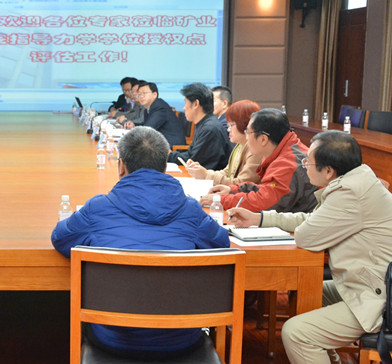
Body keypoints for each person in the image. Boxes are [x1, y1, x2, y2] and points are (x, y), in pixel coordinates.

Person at [227, 131, 392, 364]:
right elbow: (312, 221)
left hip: (391, 299)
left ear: (329, 171)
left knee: (297, 333)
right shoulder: (354, 181)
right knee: (309, 292)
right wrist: (259, 218)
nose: (304, 166)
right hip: (378, 282)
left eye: (308, 162)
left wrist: (273, 221)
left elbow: (306, 235)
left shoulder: (349, 193)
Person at [51, 126, 229, 360]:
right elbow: (222, 245)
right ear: (164, 167)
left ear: (121, 166)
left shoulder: (98, 208)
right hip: (180, 339)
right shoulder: (191, 211)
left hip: (113, 339)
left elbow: (60, 238)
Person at [200, 108, 318, 212]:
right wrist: (233, 190)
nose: (246, 137)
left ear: (263, 139)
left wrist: (221, 200)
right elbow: (267, 189)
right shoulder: (283, 149)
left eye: (248, 132)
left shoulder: (288, 163)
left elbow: (265, 202)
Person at [185, 99, 262, 185]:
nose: (228, 129)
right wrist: (201, 171)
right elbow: (227, 172)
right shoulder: (239, 145)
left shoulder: (255, 151)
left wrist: (206, 175)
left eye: (231, 125)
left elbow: (241, 184)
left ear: (245, 125)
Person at [168, 83, 233, 170]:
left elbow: (194, 162)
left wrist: (169, 155)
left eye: (185, 103)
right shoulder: (204, 123)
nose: (184, 108)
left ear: (196, 104)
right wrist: (169, 155)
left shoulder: (210, 128)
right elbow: (190, 154)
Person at [125, 81, 186, 147]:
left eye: (144, 93)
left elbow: (147, 129)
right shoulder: (148, 108)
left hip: (172, 147)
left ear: (155, 94)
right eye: (139, 94)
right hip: (160, 144)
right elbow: (147, 125)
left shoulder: (160, 107)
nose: (141, 96)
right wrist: (134, 125)